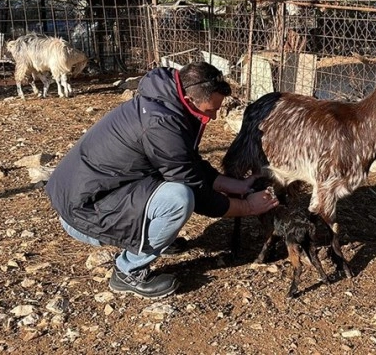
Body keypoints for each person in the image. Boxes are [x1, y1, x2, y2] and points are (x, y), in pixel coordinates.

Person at [45, 62, 279, 299]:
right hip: (83, 214)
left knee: (175, 187)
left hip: (88, 195)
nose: (214, 116)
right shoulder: (161, 123)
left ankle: (152, 238)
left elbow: (186, 163)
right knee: (179, 199)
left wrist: (236, 185)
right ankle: (128, 271)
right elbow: (198, 193)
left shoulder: (165, 102)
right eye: (210, 110)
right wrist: (248, 206)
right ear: (189, 100)